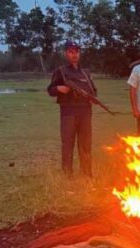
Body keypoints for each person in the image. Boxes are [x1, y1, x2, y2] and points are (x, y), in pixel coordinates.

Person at [47, 41, 97, 177]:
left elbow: (94, 91)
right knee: (68, 144)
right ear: (65, 53)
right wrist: (59, 88)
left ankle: (87, 173)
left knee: (86, 144)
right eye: (71, 51)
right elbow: (50, 90)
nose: (74, 54)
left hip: (85, 113)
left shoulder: (85, 72)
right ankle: (67, 174)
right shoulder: (61, 71)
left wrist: (92, 97)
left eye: (76, 51)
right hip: (68, 113)